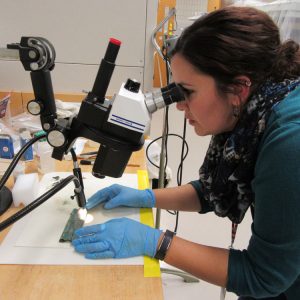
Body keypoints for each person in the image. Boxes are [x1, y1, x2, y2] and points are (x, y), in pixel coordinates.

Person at [72, 6, 300, 299]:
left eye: (187, 91)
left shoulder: (289, 143)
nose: (179, 106)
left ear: (238, 88)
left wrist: (154, 241)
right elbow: (214, 190)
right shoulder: (257, 111)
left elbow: (263, 276)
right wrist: (147, 197)